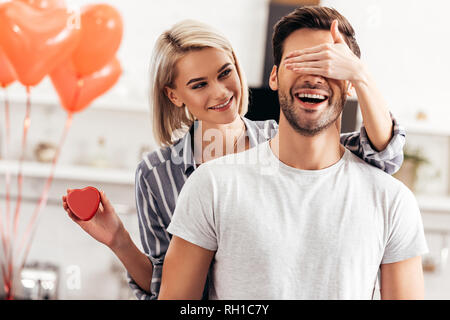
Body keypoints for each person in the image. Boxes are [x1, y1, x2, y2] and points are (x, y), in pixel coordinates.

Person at [62, 17, 406, 300]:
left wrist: (357, 75)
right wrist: (118, 240)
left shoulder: (287, 139)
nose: (221, 92)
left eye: (225, 73)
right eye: (199, 85)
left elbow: (384, 154)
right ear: (174, 94)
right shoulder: (157, 173)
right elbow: (166, 288)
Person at [158, 7, 428, 300]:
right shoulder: (212, 186)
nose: (313, 76)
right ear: (274, 77)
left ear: (350, 83)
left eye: (329, 64)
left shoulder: (392, 202)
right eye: (298, 62)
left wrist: (361, 75)